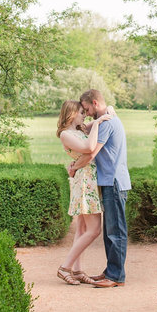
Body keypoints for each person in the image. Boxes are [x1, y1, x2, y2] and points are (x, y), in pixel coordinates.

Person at [70, 89, 129, 288]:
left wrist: (73, 167)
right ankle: (110, 271)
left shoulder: (107, 123)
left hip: (114, 181)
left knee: (116, 230)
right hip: (109, 181)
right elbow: (88, 129)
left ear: (95, 103)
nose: (86, 113)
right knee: (110, 230)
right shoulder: (106, 119)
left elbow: (91, 153)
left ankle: (116, 276)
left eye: (86, 108)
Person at [55, 99, 113, 285]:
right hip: (85, 182)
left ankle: (78, 270)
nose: (84, 115)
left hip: (90, 179)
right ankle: (65, 267)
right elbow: (89, 148)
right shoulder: (66, 134)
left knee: (81, 228)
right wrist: (96, 123)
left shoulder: (79, 129)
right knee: (94, 229)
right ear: (71, 114)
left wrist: (105, 113)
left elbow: (106, 113)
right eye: (81, 112)